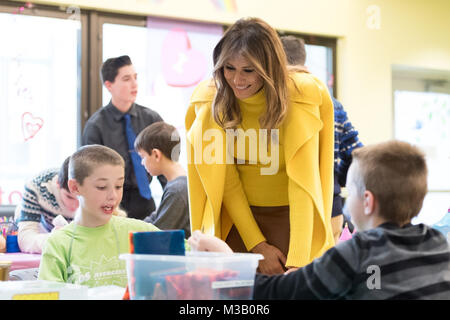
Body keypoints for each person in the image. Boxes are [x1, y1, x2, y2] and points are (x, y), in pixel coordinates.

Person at [189, 140, 450, 299]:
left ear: (368, 202)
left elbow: (276, 293)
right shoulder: (437, 243)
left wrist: (225, 258)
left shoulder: (360, 251)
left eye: (350, 193)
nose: (347, 201)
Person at [185, 17, 335, 274]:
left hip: (293, 219)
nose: (237, 80)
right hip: (237, 219)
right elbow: (227, 182)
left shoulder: (299, 98)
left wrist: (298, 261)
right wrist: (257, 245)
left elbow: (302, 183)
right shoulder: (210, 101)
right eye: (229, 68)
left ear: (269, 68)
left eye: (249, 70)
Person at [38, 145, 161, 288]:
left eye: (119, 186)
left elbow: (184, 258)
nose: (113, 196)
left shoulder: (140, 232)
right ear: (75, 187)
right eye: (102, 187)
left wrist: (194, 246)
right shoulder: (58, 244)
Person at [280, 35, 363, 243]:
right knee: (325, 268)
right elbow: (355, 155)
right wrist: (336, 177)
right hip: (329, 204)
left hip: (282, 205)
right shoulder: (330, 102)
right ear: (303, 62)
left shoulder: (273, 100)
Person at [82, 55, 166, 220]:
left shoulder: (152, 119)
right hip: (111, 205)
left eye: (135, 77)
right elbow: (90, 175)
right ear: (109, 85)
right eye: (126, 79)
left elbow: (166, 166)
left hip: (146, 202)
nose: (134, 84)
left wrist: (175, 198)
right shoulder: (96, 126)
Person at [134, 121, 191, 238]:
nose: (142, 162)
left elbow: (158, 233)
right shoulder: (177, 185)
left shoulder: (177, 190)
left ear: (156, 154)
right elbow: (154, 218)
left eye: (143, 157)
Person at [15, 157, 79, 254]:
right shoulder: (36, 187)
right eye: (69, 197)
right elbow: (26, 240)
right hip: (45, 233)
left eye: (82, 199)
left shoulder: (99, 190)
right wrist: (53, 239)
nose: (75, 206)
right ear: (58, 183)